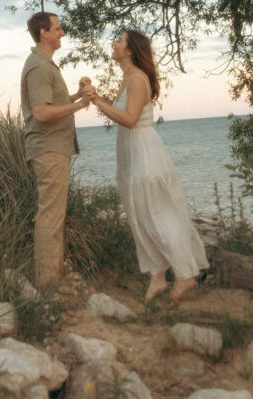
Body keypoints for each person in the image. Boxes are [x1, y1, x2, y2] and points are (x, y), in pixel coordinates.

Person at [85, 29, 208, 301]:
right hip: (131, 152)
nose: (114, 44)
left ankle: (185, 275)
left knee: (159, 216)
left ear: (130, 50)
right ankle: (157, 276)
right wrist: (98, 98)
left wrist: (97, 101)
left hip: (144, 153)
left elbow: (129, 119)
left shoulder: (138, 79)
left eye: (119, 41)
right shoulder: (128, 77)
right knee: (140, 216)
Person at [20, 11, 91, 290]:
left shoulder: (45, 64)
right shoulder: (39, 67)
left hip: (53, 149)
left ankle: (53, 279)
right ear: (44, 33)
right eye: (58, 28)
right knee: (50, 216)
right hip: (48, 151)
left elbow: (51, 104)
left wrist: (75, 95)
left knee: (53, 215)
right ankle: (48, 285)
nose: (62, 33)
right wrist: (79, 105)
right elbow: (41, 113)